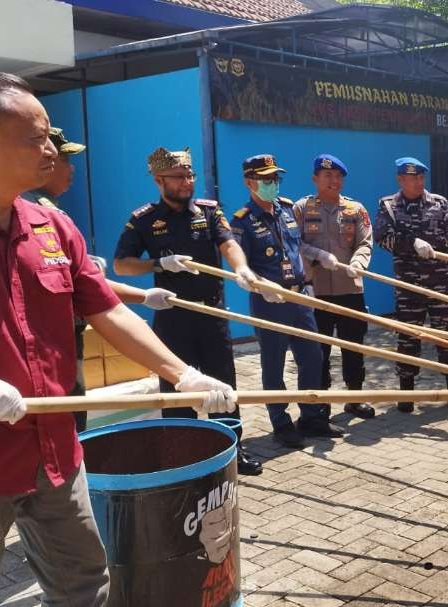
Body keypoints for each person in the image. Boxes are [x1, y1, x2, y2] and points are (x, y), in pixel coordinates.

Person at [0, 72, 238, 607]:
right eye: (37, 137)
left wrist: (181, 373)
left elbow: (107, 311)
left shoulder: (51, 226)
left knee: (86, 588)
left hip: (55, 457)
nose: (51, 148)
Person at [112, 146, 263, 475]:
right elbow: (121, 266)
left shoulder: (208, 212)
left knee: (224, 386)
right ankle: (186, 457)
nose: (187, 182)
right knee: (178, 389)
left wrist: (242, 269)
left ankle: (233, 452)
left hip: (212, 316)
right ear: (158, 180)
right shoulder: (144, 220)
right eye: (179, 177)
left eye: (189, 175)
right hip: (172, 317)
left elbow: (229, 243)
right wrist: (158, 263)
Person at [23, 127, 175, 432]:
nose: (71, 168)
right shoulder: (36, 210)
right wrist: (143, 294)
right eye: (66, 159)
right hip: (52, 342)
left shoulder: (44, 209)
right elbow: (82, 283)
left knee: (71, 418)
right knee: (66, 423)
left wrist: (143, 297)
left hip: (60, 337)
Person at [227, 153, 344, 448]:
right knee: (274, 364)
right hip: (270, 300)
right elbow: (239, 264)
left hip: (299, 296)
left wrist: (318, 256)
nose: (273, 184)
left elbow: (298, 244)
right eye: (266, 180)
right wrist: (260, 285)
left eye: (276, 178)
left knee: (312, 358)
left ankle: (310, 417)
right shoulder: (242, 220)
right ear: (249, 182)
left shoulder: (288, 209)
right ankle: (281, 423)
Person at [374, 157, 448, 413]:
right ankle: (406, 393)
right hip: (408, 286)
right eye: (412, 178)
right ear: (400, 180)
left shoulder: (439, 203)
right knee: (408, 338)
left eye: (421, 177)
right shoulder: (389, 206)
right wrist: (411, 242)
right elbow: (382, 238)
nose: (417, 182)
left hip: (440, 283)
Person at [293, 154, 375, 419]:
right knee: (319, 351)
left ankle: (354, 398)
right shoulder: (301, 208)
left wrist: (358, 263)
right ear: (315, 178)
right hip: (316, 292)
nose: (333, 181)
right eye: (327, 176)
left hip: (350, 289)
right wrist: (317, 254)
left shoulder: (355, 209)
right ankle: (322, 402)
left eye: (338, 176)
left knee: (354, 346)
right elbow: (292, 242)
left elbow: (365, 242)